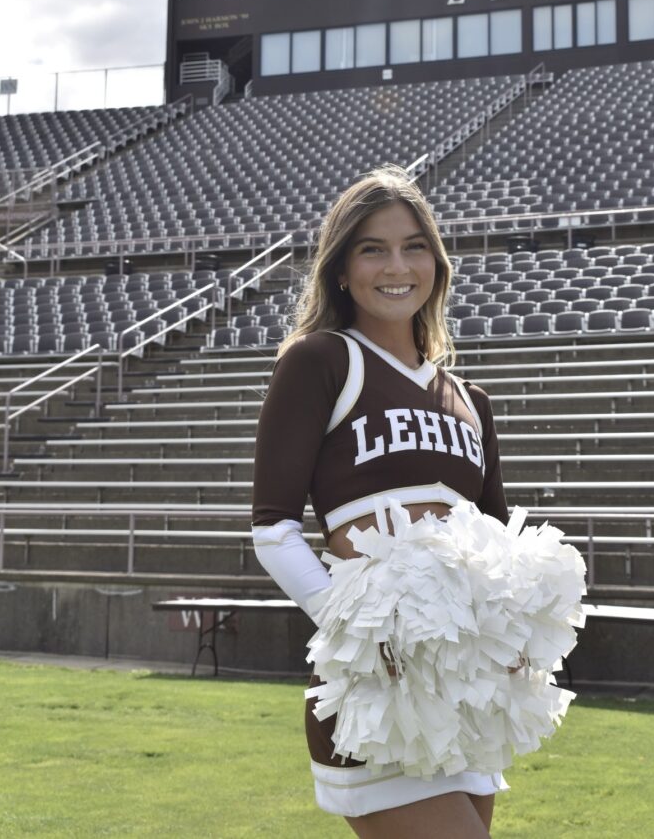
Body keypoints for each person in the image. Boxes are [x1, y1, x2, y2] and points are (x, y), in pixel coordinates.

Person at [252, 164, 512, 838]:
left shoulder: (469, 401)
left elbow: (497, 543)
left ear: (436, 263)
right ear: (341, 270)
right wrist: (359, 631)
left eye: (413, 246)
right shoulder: (320, 362)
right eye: (372, 248)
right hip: (376, 687)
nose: (396, 266)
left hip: (465, 691)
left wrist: (516, 638)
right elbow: (273, 529)